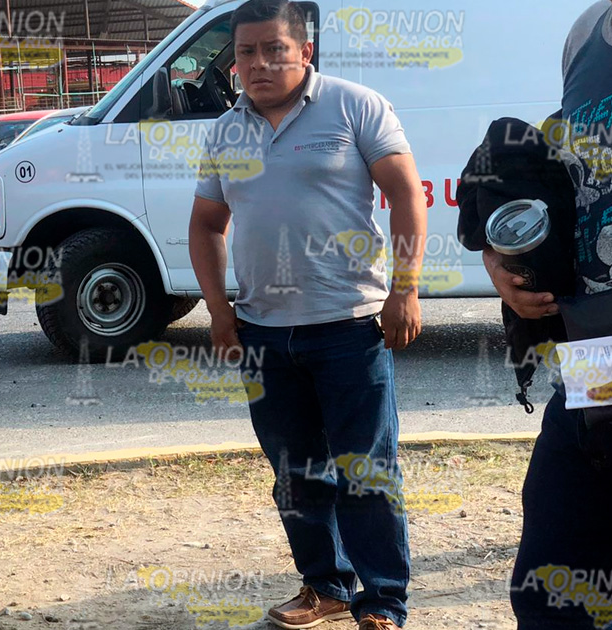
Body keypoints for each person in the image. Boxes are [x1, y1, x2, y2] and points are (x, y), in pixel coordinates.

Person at [188, 1, 427, 628]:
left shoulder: (356, 106)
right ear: (233, 59)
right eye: (246, 52)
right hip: (263, 333)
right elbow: (207, 225)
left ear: (305, 52)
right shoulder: (224, 132)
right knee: (295, 475)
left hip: (350, 325)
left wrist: (405, 289)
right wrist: (218, 311)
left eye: (275, 49)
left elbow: (405, 195)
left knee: (366, 472)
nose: (260, 64)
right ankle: (324, 586)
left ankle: (381, 604)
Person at [492, 1, 612, 627]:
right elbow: (570, 187)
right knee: (552, 604)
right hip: (598, 375)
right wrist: (508, 258)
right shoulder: (586, 33)